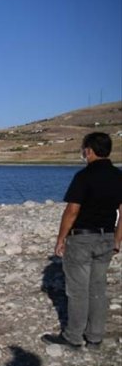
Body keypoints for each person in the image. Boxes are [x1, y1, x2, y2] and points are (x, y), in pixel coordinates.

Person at [43, 132, 122, 348]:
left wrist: (60, 239)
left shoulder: (83, 176)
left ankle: (73, 337)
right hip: (107, 237)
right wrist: (117, 239)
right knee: (98, 289)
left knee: (78, 291)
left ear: (89, 150)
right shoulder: (119, 176)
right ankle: (95, 337)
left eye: (84, 149)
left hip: (82, 239)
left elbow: (72, 211)